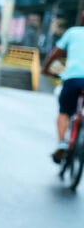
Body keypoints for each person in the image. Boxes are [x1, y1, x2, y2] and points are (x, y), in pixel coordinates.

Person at [42, 9, 84, 162]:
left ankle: (62, 143)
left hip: (73, 79)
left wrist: (46, 69)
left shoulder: (73, 33)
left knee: (64, 112)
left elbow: (56, 54)